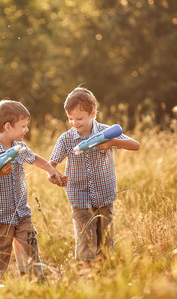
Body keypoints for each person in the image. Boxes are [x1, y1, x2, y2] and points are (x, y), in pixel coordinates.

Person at [0, 100, 66, 284]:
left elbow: (34, 158)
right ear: (8, 126)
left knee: (31, 252)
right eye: (23, 126)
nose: (27, 130)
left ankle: (35, 286)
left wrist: (51, 170)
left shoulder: (19, 147)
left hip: (22, 214)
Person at [48, 87, 140, 270]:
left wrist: (113, 142)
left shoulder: (107, 132)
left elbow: (135, 145)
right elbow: (51, 164)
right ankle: (89, 274)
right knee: (86, 240)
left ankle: (104, 274)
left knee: (105, 239)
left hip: (104, 195)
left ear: (93, 113)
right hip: (78, 197)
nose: (74, 123)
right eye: (70, 118)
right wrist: (53, 176)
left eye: (79, 118)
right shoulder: (66, 139)